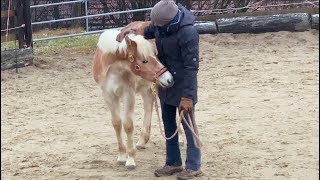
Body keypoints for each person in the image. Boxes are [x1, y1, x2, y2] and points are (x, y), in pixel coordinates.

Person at [117, 0, 202, 179]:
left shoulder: (188, 33)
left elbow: (191, 67)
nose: (154, 25)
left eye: (157, 22)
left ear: (169, 20)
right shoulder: (161, 27)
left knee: (188, 125)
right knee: (168, 123)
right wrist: (130, 31)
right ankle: (173, 162)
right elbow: (146, 30)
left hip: (183, 84)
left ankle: (194, 166)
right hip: (165, 80)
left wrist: (188, 96)